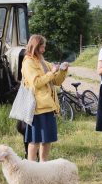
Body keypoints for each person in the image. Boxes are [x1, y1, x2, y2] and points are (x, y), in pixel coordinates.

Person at [21, 34, 69, 162]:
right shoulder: (28, 62)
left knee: (46, 139)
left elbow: (56, 82)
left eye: (44, 47)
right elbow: (35, 83)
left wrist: (62, 71)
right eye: (42, 47)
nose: (44, 49)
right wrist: (51, 72)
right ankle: (31, 166)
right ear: (35, 46)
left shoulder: (42, 61)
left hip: (49, 106)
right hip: (37, 107)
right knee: (35, 140)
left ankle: (43, 165)